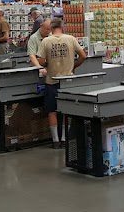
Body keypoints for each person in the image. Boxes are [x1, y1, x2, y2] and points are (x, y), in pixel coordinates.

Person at [35, 19, 87, 148]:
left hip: (52, 81)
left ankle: (55, 141)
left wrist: (48, 64)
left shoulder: (46, 41)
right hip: (68, 81)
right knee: (66, 110)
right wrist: (74, 66)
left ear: (51, 28)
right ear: (62, 27)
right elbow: (83, 56)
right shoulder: (71, 39)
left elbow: (40, 61)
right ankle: (65, 139)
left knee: (52, 111)